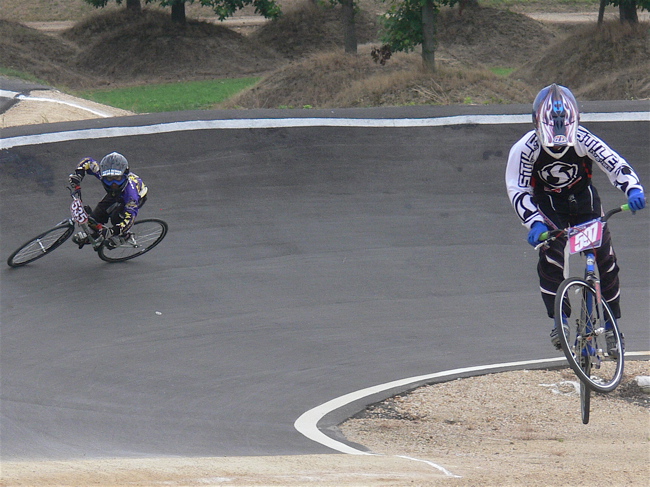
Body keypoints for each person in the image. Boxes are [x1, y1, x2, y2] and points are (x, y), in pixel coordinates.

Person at [505, 83, 645, 355]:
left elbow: (613, 162)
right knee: (551, 256)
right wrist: (533, 221)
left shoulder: (583, 137)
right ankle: (561, 320)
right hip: (548, 205)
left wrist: (632, 187)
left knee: (605, 259)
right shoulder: (524, 147)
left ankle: (612, 323)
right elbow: (518, 187)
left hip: (584, 202)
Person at [68, 152, 148, 249]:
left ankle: (124, 236)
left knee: (116, 217)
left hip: (134, 197)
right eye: (109, 179)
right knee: (96, 216)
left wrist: (113, 231)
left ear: (124, 175)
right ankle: (96, 235)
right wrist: (78, 175)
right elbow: (88, 161)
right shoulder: (101, 173)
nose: (114, 183)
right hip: (115, 194)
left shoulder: (131, 195)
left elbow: (130, 219)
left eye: (117, 178)